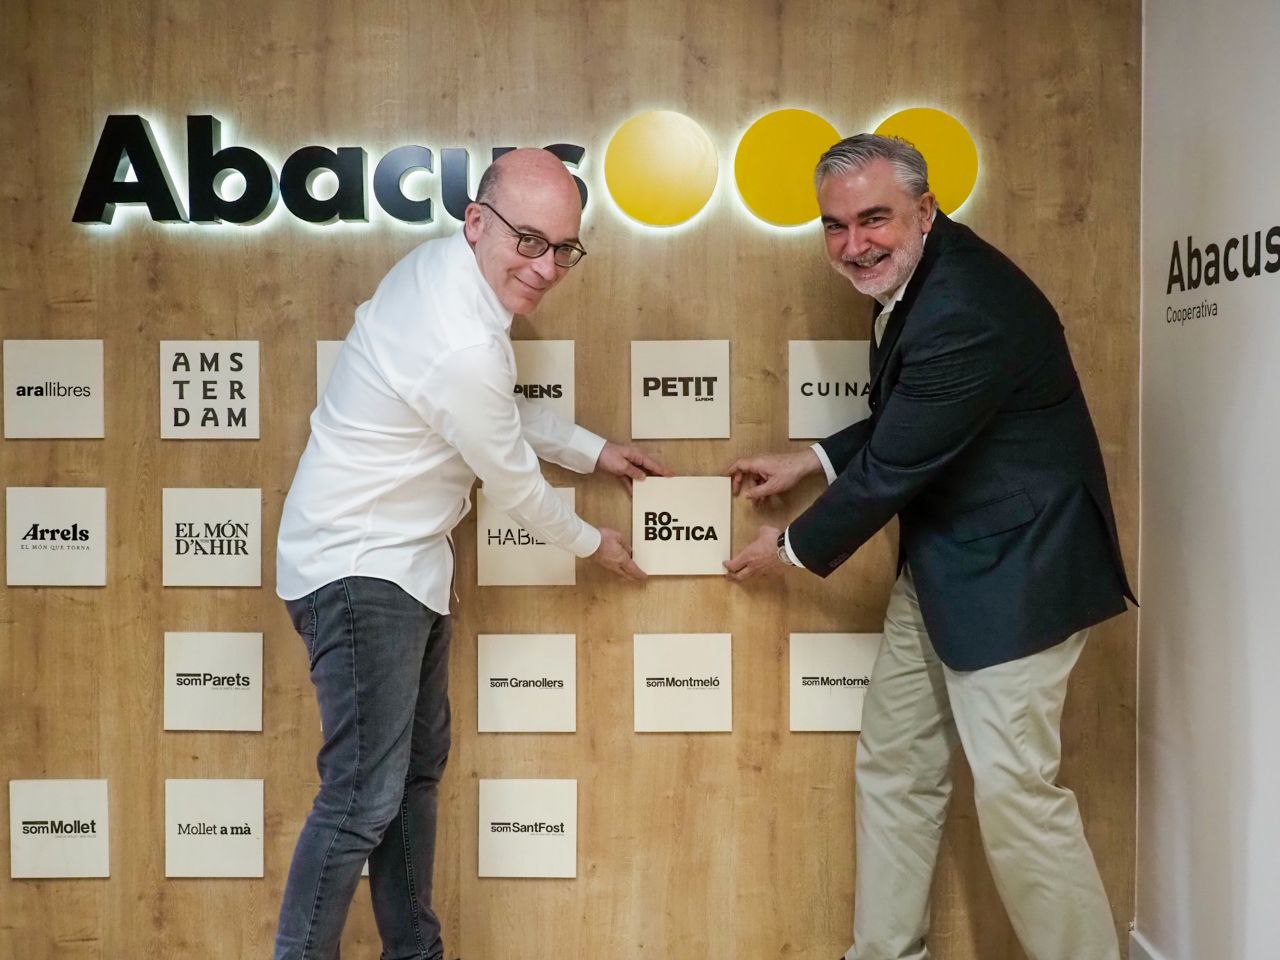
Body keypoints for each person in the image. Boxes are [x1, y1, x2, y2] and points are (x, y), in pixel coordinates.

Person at [724, 134, 1134, 960]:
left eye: (873, 218)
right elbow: (918, 413)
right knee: (897, 766)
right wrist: (813, 457)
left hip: (1022, 572)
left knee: (1018, 797)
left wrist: (791, 547)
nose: (853, 244)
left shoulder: (964, 304)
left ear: (925, 208)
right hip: (945, 561)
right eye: (835, 226)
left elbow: (899, 462)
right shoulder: (924, 280)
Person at [272, 148, 668, 960]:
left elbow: (486, 416)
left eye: (564, 247)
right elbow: (513, 481)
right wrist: (596, 544)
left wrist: (593, 451)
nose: (548, 266)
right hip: (360, 568)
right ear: (478, 222)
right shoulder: (459, 337)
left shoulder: (447, 279)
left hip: (405, 569)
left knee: (410, 782)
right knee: (359, 799)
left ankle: (414, 952)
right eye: (531, 240)